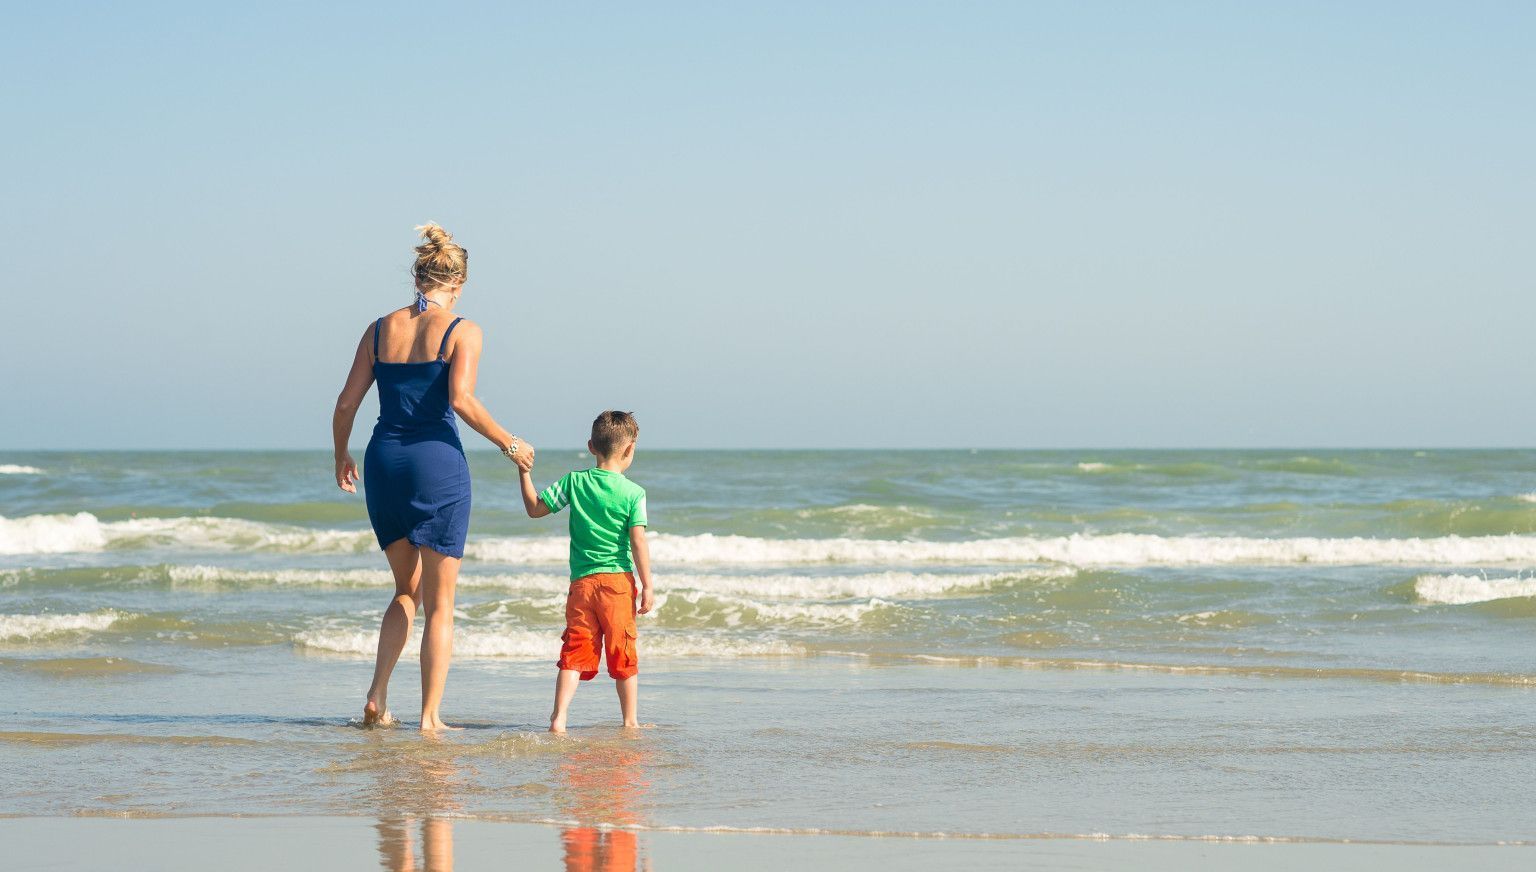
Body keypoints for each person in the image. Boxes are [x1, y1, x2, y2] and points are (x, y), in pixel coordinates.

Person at [332, 223, 534, 731]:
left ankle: (378, 694)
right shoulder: (463, 329)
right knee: (441, 605)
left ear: (418, 276)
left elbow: (346, 402)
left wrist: (341, 455)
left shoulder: (379, 329)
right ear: (458, 283)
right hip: (435, 465)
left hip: (384, 461)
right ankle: (430, 718)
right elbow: (461, 400)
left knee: (407, 589)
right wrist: (511, 444)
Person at [518, 411, 654, 732]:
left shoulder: (574, 482)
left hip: (581, 585)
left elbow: (535, 509)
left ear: (591, 446)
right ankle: (630, 721)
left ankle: (559, 717)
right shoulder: (634, 493)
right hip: (617, 584)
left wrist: (524, 473)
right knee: (622, 650)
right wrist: (648, 585)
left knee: (575, 648)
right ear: (630, 450)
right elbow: (637, 541)